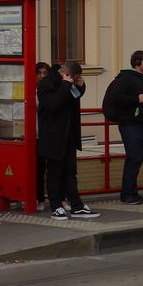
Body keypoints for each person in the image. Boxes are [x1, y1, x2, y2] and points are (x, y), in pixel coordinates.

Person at [37, 61, 99, 220]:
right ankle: (56, 206)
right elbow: (52, 104)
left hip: (69, 135)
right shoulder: (46, 83)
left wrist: (81, 86)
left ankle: (77, 205)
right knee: (54, 173)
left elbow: (74, 98)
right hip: (53, 136)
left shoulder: (67, 83)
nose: (74, 81)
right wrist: (66, 84)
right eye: (74, 78)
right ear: (67, 74)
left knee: (70, 172)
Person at [104, 50, 143, 205]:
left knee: (137, 159)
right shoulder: (127, 78)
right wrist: (136, 99)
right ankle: (127, 194)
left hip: (140, 123)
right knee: (133, 158)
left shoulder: (140, 78)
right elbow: (117, 97)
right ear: (137, 63)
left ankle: (133, 192)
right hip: (130, 124)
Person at [34, 61, 52, 209]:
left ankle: (57, 198)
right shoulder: (29, 90)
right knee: (38, 169)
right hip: (34, 134)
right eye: (39, 73)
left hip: (47, 133)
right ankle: (39, 198)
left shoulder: (50, 89)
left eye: (45, 73)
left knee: (53, 168)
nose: (42, 76)